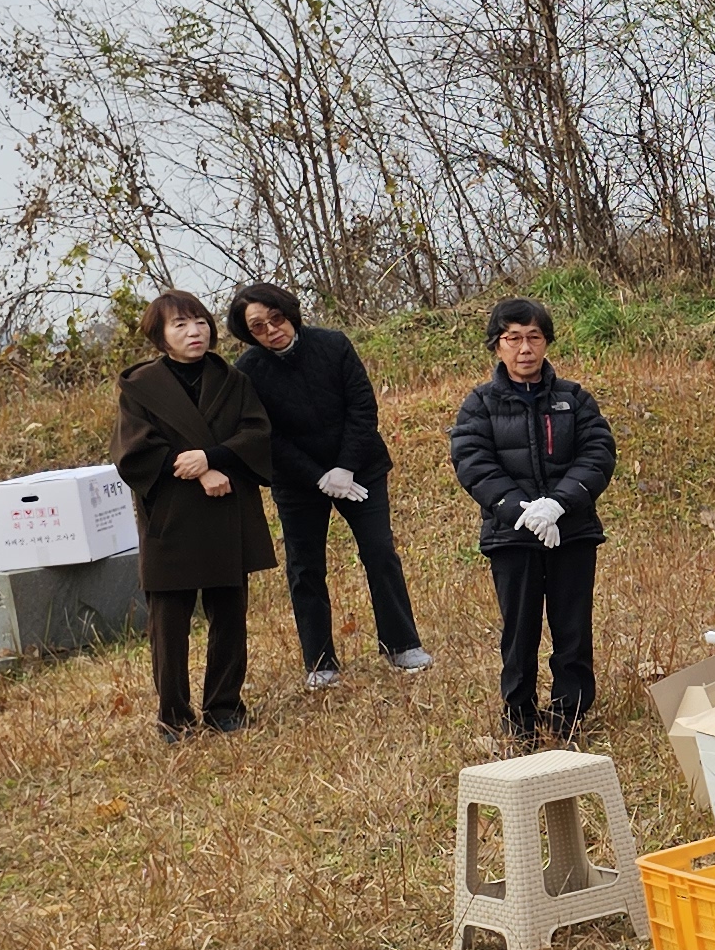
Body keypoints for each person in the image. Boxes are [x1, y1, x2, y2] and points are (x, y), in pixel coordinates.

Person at [227, 281, 427, 685]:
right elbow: (266, 435)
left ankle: (401, 643)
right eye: (258, 326)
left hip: (360, 468)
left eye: (276, 318)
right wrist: (318, 477)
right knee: (305, 567)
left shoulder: (333, 345)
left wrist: (345, 467)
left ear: (289, 313)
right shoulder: (247, 371)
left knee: (380, 552)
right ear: (248, 333)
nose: (271, 330)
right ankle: (321, 662)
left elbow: (362, 407)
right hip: (298, 481)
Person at [448, 297, 613, 750]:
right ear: (497, 345)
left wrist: (559, 504)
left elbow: (598, 453)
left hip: (571, 532)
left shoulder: (573, 399)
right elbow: (473, 462)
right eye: (513, 338)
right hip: (512, 537)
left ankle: (569, 715)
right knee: (519, 631)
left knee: (572, 627)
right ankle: (519, 717)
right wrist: (520, 509)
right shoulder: (479, 404)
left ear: (546, 342)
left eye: (534, 337)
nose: (525, 348)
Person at [112, 291, 275, 740]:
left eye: (200, 322)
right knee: (168, 624)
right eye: (180, 325)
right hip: (171, 515)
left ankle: (225, 706)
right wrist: (198, 468)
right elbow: (134, 451)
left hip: (227, 508)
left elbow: (257, 433)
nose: (194, 332)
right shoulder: (140, 386)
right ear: (161, 336)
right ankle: (174, 715)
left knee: (230, 616)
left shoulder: (232, 379)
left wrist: (214, 457)